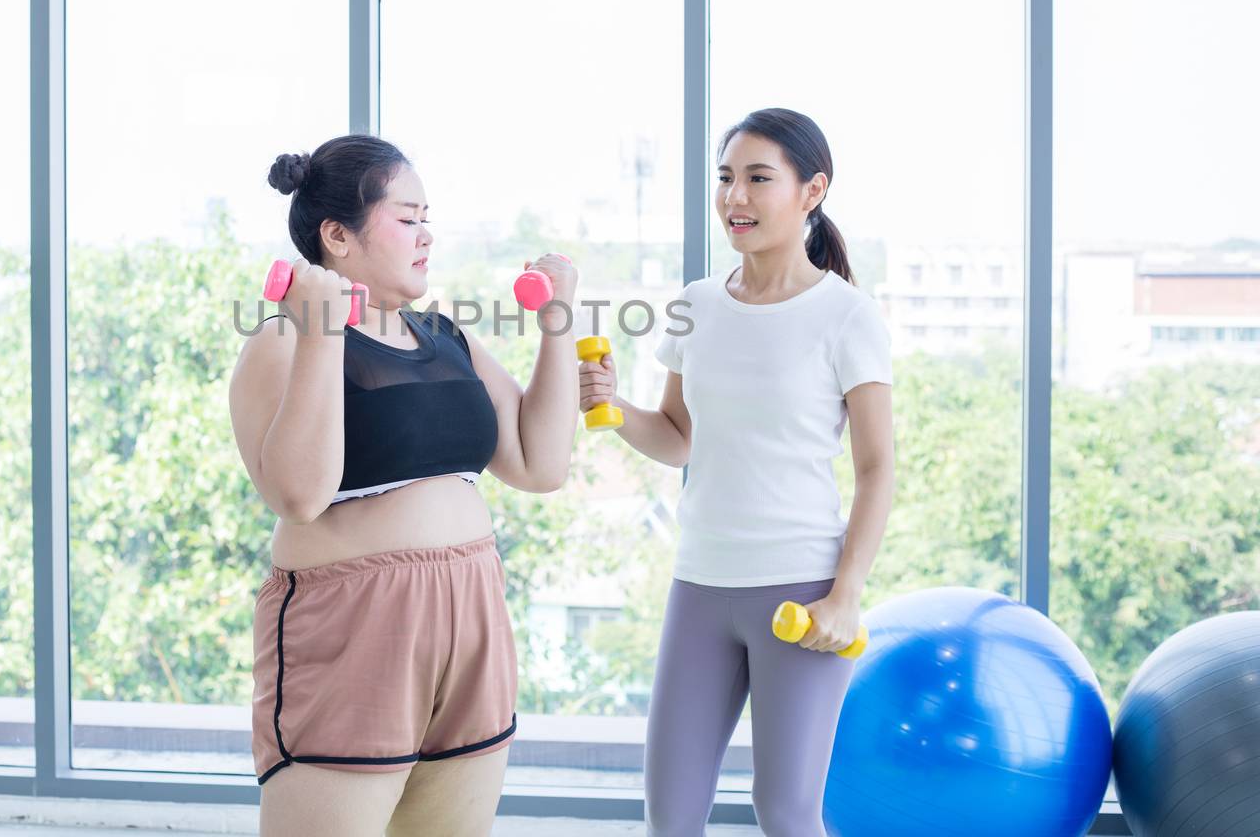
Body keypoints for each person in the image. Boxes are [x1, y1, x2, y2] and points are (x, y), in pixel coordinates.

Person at [228, 134, 578, 837]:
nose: (427, 234)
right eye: (408, 216)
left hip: (471, 614)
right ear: (338, 236)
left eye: (428, 217)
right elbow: (298, 495)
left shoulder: (447, 336)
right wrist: (324, 329)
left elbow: (540, 464)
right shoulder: (283, 340)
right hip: (357, 626)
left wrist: (557, 325)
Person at [580, 108, 896, 837]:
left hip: (802, 590)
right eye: (726, 179)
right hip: (701, 583)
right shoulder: (696, 304)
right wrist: (612, 407)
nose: (735, 199)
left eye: (759, 179)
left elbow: (877, 470)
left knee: (784, 812)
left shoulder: (847, 317)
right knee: (672, 813)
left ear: (812, 190)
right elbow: (677, 437)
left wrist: (846, 595)